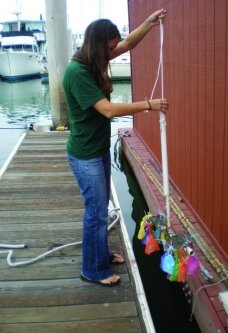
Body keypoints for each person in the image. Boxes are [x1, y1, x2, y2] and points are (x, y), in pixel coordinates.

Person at [62, 9, 168, 287]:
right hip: (85, 155)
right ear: (98, 46)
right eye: (109, 47)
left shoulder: (95, 58)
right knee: (95, 213)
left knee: (101, 208)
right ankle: (92, 270)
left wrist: (149, 21)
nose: (114, 51)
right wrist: (148, 104)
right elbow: (107, 110)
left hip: (96, 150)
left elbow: (129, 43)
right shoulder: (77, 71)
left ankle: (102, 255)